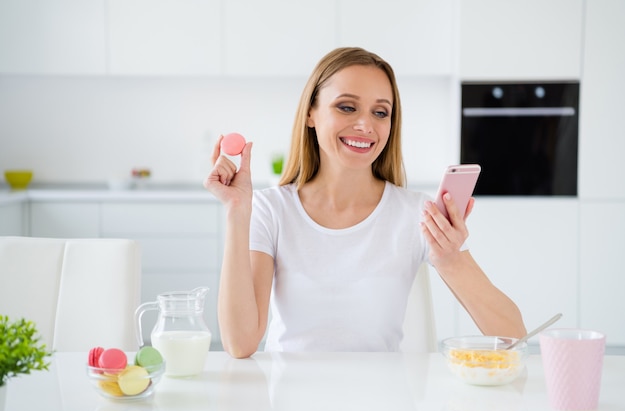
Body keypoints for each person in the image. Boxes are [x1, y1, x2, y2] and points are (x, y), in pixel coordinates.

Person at [204, 47, 526, 358]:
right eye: (346, 107)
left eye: (380, 112)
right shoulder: (271, 209)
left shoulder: (417, 214)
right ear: (310, 114)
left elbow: (514, 336)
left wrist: (452, 260)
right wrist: (237, 212)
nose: (366, 125)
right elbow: (240, 343)